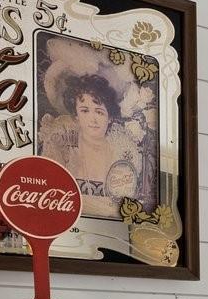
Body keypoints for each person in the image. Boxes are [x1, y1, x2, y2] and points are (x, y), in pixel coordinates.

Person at [41, 73, 151, 215]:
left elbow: (123, 202)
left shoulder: (122, 152)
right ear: (76, 115)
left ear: (110, 117)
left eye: (99, 112)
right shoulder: (62, 145)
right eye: (84, 111)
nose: (92, 119)